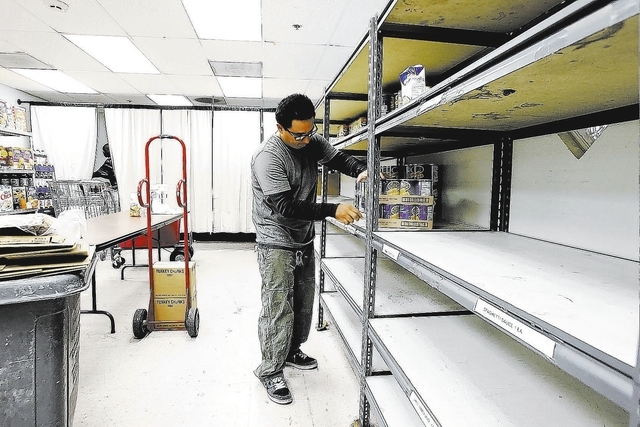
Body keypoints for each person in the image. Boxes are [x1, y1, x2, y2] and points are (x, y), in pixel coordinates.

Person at [251, 93, 367, 404]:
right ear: (280, 128)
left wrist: (361, 170)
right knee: (278, 305)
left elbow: (338, 158)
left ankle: (291, 351)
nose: (305, 140)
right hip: (275, 238)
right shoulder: (268, 157)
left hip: (303, 237)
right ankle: (270, 369)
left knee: (303, 301)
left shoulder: (311, 141)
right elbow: (286, 206)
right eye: (298, 135)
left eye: (309, 132)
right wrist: (332, 210)